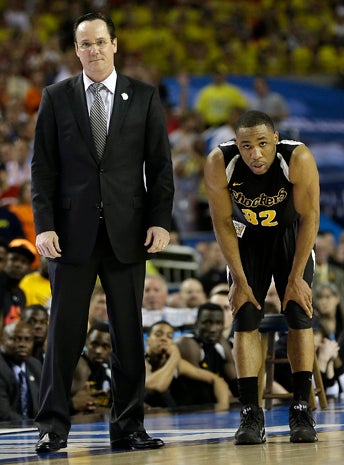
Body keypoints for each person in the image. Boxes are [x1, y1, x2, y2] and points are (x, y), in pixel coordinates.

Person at [31, 12, 174, 453]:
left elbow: (161, 168)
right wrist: (44, 227)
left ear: (115, 44)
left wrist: (159, 220)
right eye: (84, 44)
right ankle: (52, 428)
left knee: (129, 333)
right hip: (69, 236)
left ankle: (129, 426)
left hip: (128, 232)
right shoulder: (56, 97)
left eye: (99, 42)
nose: (93, 50)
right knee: (64, 334)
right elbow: (43, 170)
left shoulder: (145, 96)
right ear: (76, 51)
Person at [204, 110, 320, 444]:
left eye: (262, 144)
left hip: (289, 236)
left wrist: (297, 277)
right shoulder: (218, 161)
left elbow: (310, 217)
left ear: (275, 140)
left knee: (299, 313)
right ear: (235, 144)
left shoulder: (297, 158)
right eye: (246, 146)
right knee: (245, 316)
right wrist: (239, 281)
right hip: (246, 239)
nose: (254, 153)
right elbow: (223, 223)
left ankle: (300, 407)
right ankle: (251, 413)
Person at [144, 320, 230, 410]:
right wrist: (175, 355)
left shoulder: (176, 364)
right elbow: (157, 386)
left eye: (169, 336)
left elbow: (216, 380)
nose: (164, 339)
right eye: (158, 334)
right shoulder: (139, 361)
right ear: (148, 340)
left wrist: (222, 405)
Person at [176, 302, 238, 399]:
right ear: (197, 324)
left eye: (218, 323)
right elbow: (198, 386)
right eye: (208, 322)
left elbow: (234, 382)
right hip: (184, 406)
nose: (213, 329)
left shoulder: (222, 343)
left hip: (210, 403)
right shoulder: (187, 343)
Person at [0, 321, 42, 423]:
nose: (22, 344)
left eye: (28, 340)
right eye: (16, 339)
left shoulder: (35, 365)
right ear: (2, 341)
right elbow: (3, 414)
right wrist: (32, 424)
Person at [71, 322, 112, 416]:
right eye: (94, 344)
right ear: (86, 342)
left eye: (105, 346)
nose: (99, 351)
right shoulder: (79, 365)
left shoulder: (106, 371)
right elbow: (81, 405)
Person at [0, 238, 36, 332]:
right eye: (14, 259)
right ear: (4, 260)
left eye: (24, 262)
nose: (18, 265)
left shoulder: (21, 294)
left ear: (29, 269)